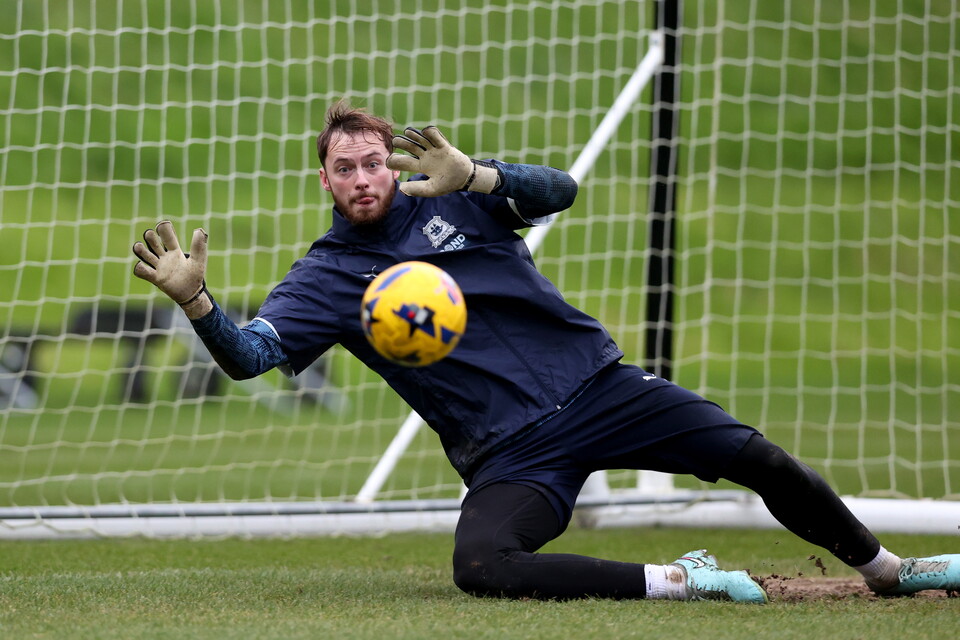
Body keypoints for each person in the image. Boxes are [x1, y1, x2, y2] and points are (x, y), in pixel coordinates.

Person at [132, 101, 960, 603]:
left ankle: (890, 570)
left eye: (373, 162)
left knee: (762, 461)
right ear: (324, 180)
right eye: (344, 168)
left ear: (391, 162)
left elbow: (562, 190)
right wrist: (198, 302)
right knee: (482, 565)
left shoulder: (453, 200)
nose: (362, 178)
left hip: (601, 389)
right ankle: (680, 578)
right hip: (513, 453)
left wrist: (481, 176)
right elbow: (248, 355)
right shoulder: (324, 276)